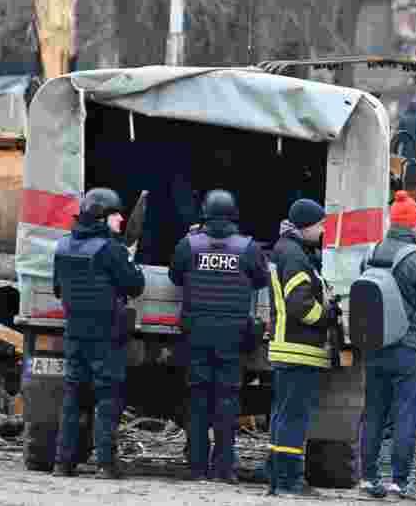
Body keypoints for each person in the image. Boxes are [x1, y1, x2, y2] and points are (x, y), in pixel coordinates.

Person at [168, 190, 268, 483]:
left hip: (196, 333)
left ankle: (197, 467)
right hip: (232, 336)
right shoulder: (248, 247)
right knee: (227, 402)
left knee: (198, 400)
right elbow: (261, 280)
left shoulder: (189, 244)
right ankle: (223, 468)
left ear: (205, 214)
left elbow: (175, 277)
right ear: (234, 215)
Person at [359, 191, 416, 499]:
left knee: (373, 412)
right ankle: (400, 481)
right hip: (409, 347)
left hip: (375, 345)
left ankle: (369, 479)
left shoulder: (371, 252)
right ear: (415, 225)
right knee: (406, 414)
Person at [52, 188, 145, 479]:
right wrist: (129, 259)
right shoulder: (110, 250)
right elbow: (135, 285)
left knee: (73, 398)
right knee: (108, 398)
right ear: (103, 218)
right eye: (117, 214)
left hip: (75, 334)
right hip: (106, 336)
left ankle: (63, 463)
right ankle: (105, 463)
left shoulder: (63, 246)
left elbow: (58, 289)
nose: (121, 219)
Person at [267, 198, 333, 496]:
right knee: (294, 417)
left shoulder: (289, 250)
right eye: (320, 225)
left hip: (289, 347)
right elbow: (301, 307)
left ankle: (277, 476)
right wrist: (328, 316)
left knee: (284, 414)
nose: (323, 231)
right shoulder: (294, 256)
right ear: (306, 225)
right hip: (298, 348)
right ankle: (289, 482)